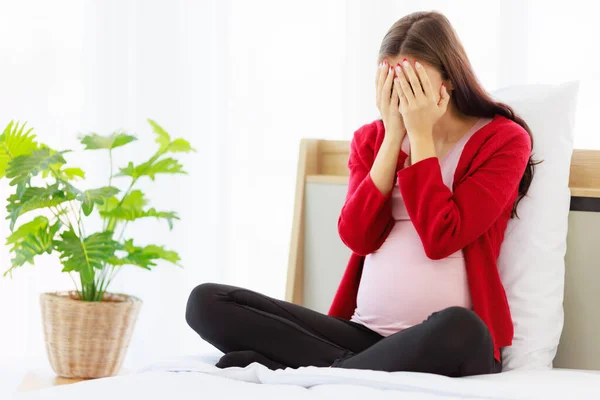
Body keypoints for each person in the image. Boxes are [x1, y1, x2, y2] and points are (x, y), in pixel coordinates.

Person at [185, 10, 535, 377]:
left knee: (461, 328)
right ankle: (341, 370)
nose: (401, 94)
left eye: (412, 81)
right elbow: (357, 236)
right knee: (206, 302)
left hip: (448, 342)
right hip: (361, 335)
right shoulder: (370, 140)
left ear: (447, 79)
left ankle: (309, 371)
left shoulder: (505, 140)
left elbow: (441, 237)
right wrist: (392, 138)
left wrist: (420, 135)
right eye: (390, 81)